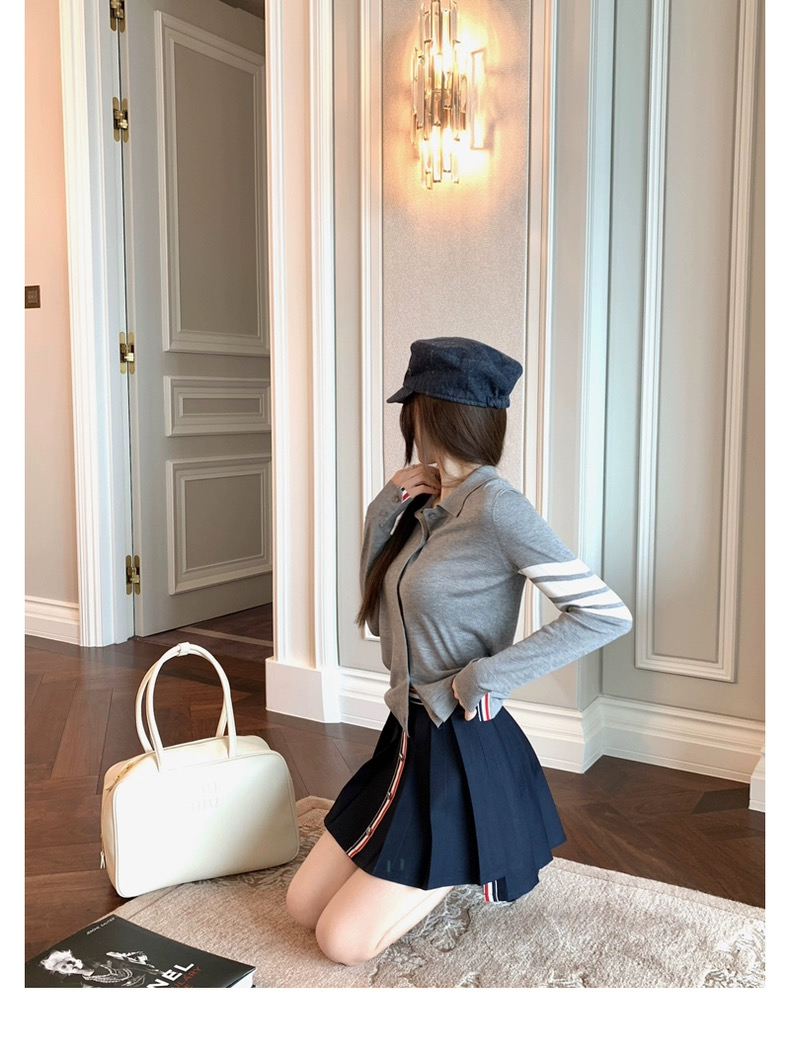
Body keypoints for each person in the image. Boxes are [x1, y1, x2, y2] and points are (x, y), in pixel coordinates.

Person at [286, 336, 632, 965]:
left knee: (341, 941)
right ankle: (431, 854)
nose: (407, 422)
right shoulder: (428, 503)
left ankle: (458, 852)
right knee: (301, 907)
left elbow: (605, 614)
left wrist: (486, 677)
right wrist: (383, 510)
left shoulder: (499, 509)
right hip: (405, 734)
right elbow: (378, 617)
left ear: (428, 412)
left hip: (457, 744)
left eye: (410, 407)